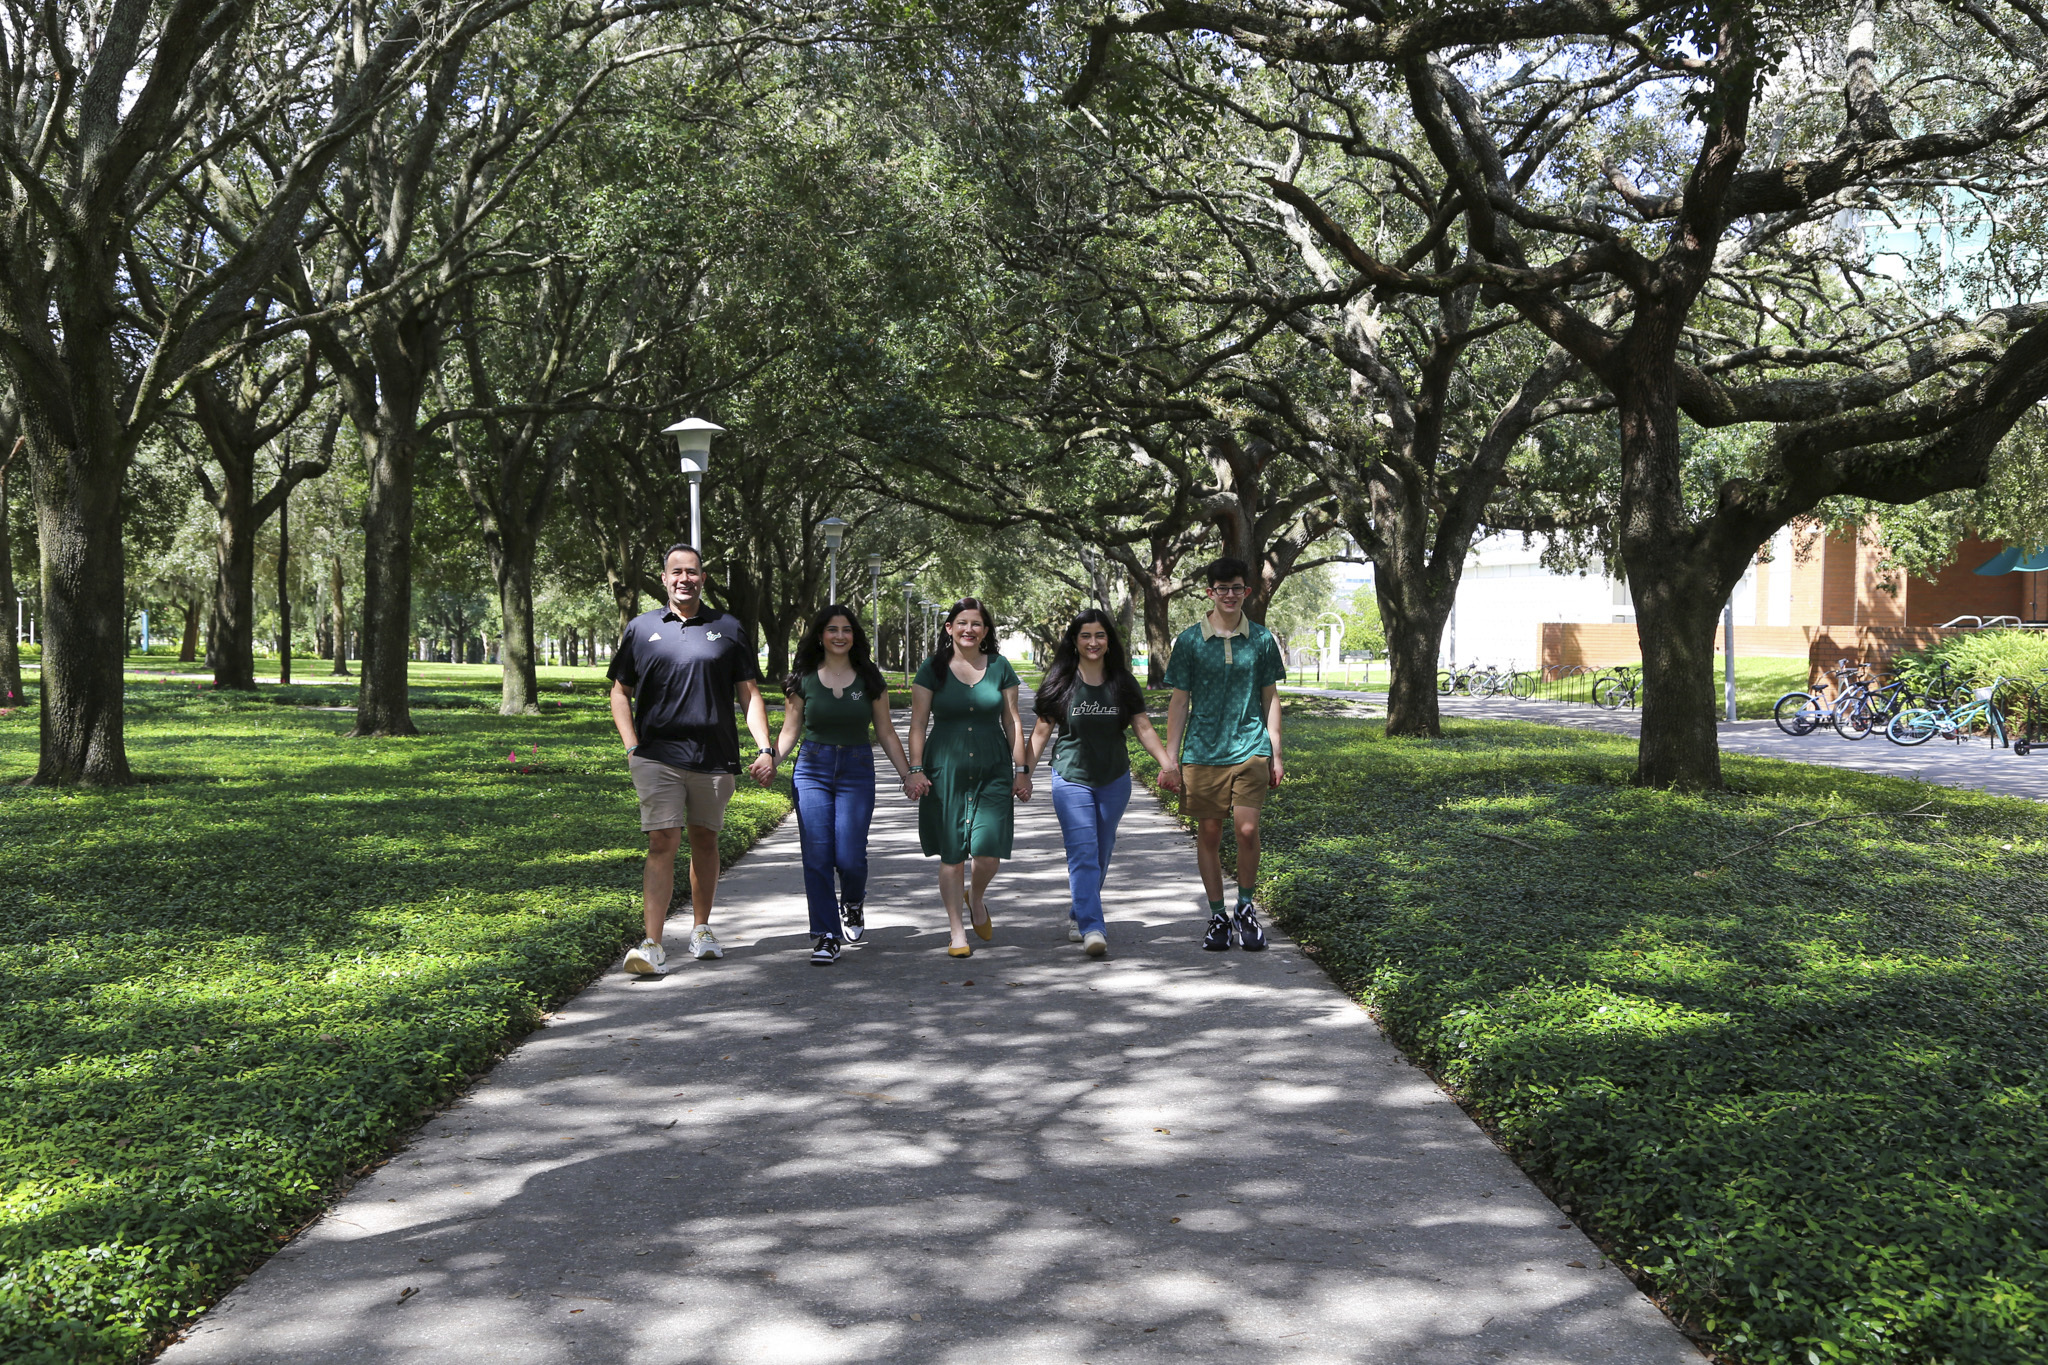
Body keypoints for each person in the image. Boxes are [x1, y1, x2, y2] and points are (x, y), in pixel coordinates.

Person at [608, 543, 776, 975]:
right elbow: (619, 691)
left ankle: (701, 929)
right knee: (661, 841)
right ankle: (653, 944)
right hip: (657, 755)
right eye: (676, 572)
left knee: (705, 839)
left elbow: (749, 693)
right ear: (664, 579)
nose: (685, 578)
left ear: (703, 578)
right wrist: (631, 746)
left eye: (693, 572)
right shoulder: (642, 628)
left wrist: (764, 747)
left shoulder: (729, 627)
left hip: (714, 755)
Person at [769, 604, 918, 965]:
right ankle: (826, 935)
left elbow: (885, 732)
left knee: (850, 857)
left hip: (856, 767)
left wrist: (908, 774)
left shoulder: (869, 680)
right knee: (817, 856)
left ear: (855, 636)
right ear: (820, 635)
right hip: (812, 769)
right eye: (832, 629)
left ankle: (852, 901)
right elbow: (790, 732)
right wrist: (770, 760)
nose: (839, 636)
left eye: (846, 629)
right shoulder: (802, 679)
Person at [1025, 609, 1173, 958]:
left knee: (1102, 852)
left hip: (1114, 777)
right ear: (1075, 642)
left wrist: (1168, 764)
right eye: (1086, 636)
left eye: (1100, 635)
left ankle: (1080, 912)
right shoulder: (1061, 680)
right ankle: (1093, 926)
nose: (1093, 642)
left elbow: (1142, 727)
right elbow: (1042, 731)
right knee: (1083, 853)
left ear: (1109, 641)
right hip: (1070, 776)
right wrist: (1023, 773)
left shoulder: (1122, 681)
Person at [1159, 556, 1285, 952]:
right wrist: (1171, 758)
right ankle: (1217, 915)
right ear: (1209, 592)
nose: (1229, 595)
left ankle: (1245, 908)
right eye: (1221, 589)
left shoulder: (1262, 639)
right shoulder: (1191, 640)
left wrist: (1276, 752)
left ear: (1246, 592)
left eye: (1237, 588)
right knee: (1209, 832)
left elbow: (1271, 698)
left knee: (1247, 831)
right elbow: (1179, 703)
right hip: (1203, 752)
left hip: (1250, 747)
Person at [906, 598, 1026, 958]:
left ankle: (976, 898)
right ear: (949, 628)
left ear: (986, 631)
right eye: (962, 623)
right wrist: (915, 769)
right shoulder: (932, 668)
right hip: (945, 768)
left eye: (976, 624)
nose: (968, 629)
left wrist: (1021, 771)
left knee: (988, 852)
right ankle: (957, 931)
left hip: (993, 768)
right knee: (953, 853)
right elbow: (917, 723)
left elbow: (1013, 721)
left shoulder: (1001, 666)